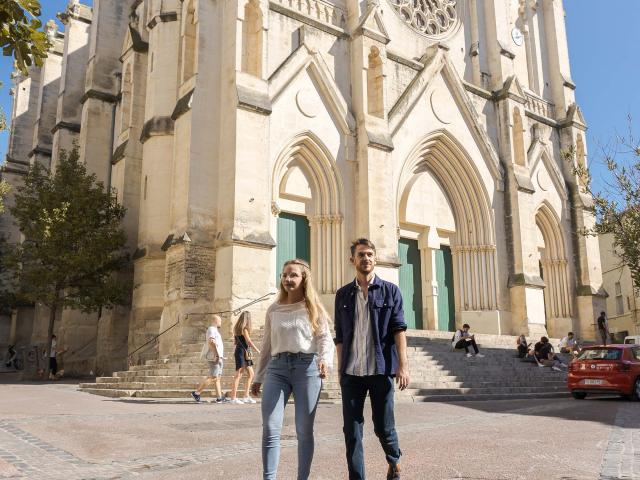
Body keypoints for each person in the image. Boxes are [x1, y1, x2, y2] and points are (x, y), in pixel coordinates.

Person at [251, 259, 333, 480]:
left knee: (304, 431)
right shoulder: (274, 309)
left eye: (293, 275)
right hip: (277, 369)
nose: (287, 279)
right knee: (270, 427)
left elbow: (325, 338)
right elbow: (267, 345)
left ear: (303, 278)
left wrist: (324, 359)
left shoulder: (313, 307)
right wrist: (258, 377)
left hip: (306, 368)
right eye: (284, 275)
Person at [334, 238, 409, 480]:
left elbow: (399, 330)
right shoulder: (343, 294)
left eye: (369, 254)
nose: (365, 258)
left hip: (382, 368)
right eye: (361, 255)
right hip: (352, 372)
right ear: (352, 260)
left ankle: (394, 460)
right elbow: (340, 336)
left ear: (375, 259)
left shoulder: (391, 291)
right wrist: (340, 368)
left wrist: (403, 366)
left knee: (383, 427)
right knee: (352, 431)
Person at [191, 315, 228, 403]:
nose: (221, 322)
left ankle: (219, 398)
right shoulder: (211, 329)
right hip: (214, 356)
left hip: (218, 356)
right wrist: (217, 355)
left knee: (217, 378)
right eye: (220, 321)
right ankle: (196, 393)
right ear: (215, 321)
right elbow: (211, 342)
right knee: (213, 377)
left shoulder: (215, 330)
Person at [229, 311, 261, 404]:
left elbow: (235, 342)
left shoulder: (237, 329)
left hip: (243, 352)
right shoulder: (244, 329)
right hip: (241, 352)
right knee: (238, 374)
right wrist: (258, 351)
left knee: (251, 374)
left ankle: (246, 396)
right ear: (248, 319)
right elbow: (249, 341)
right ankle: (233, 398)